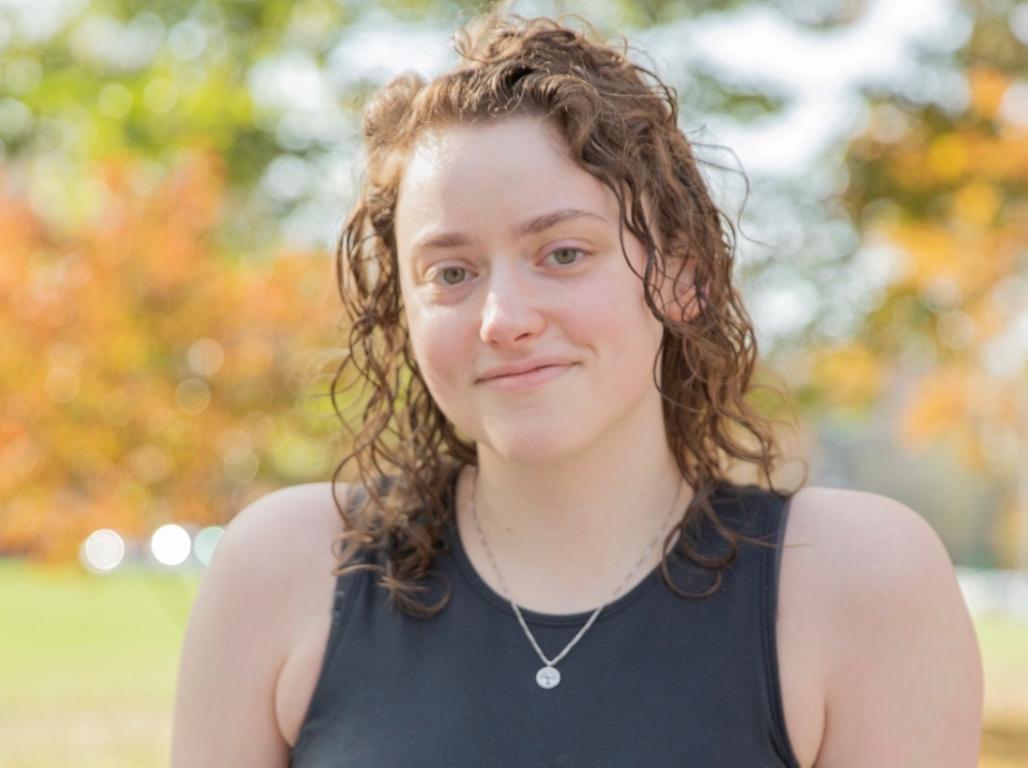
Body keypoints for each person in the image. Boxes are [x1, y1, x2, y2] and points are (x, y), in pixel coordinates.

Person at [170, 9, 983, 767]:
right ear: (405, 313)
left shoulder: (857, 581)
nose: (503, 318)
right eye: (450, 272)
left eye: (563, 253)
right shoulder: (286, 571)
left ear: (682, 278)